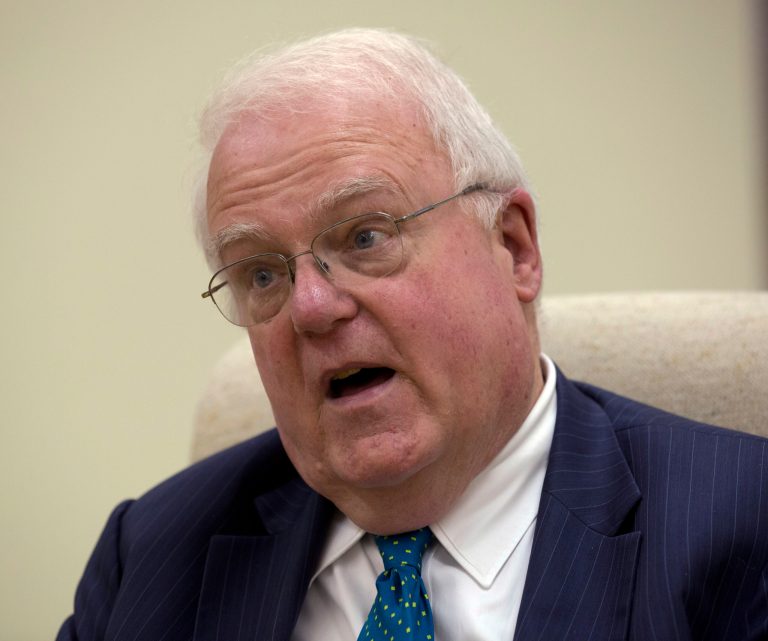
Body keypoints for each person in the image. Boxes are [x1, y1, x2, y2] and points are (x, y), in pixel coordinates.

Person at [58, 28, 767, 641]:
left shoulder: (742, 529)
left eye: (366, 234)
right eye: (262, 275)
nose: (311, 306)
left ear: (514, 247)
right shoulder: (151, 556)